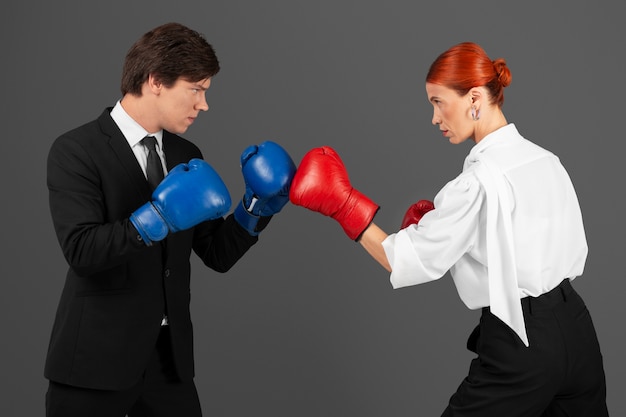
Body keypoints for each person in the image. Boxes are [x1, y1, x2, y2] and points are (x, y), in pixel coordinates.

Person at [289, 42, 608, 416]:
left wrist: (343, 204)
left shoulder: (478, 182)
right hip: (577, 328)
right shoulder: (546, 160)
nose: (434, 117)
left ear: (474, 98)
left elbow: (403, 259)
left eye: (439, 102)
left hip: (522, 340)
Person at [44, 22, 296, 417]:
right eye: (196, 89)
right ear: (156, 80)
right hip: (95, 359)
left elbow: (217, 254)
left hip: (168, 361)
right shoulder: (77, 150)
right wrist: (157, 217)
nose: (204, 104)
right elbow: (81, 251)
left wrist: (255, 207)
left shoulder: (185, 153)